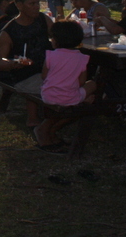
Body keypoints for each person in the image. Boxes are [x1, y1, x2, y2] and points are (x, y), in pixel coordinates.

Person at [0, 0, 54, 126]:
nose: (36, 7)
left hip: (47, 71)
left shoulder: (43, 20)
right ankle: (41, 122)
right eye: (32, 4)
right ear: (19, 5)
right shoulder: (9, 31)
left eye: (38, 3)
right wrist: (14, 63)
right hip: (25, 75)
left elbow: (59, 38)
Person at [33, 22, 96, 153]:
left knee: (69, 94)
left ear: (55, 40)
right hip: (70, 97)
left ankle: (48, 130)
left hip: (48, 95)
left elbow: (44, 76)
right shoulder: (82, 58)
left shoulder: (50, 55)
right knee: (93, 84)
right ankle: (85, 99)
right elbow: (81, 82)